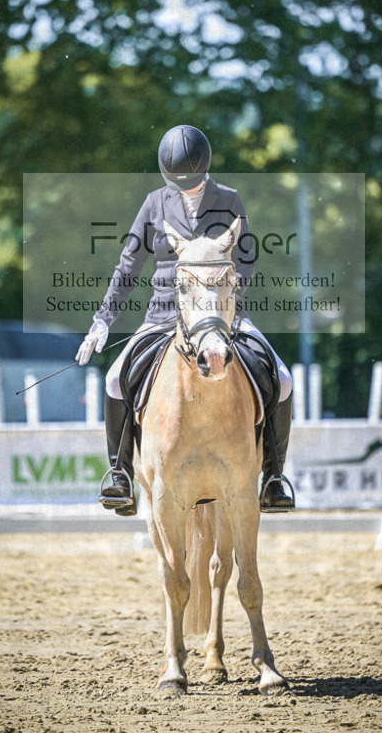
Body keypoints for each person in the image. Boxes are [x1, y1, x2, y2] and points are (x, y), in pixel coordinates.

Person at [75, 124, 295, 515]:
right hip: (164, 313)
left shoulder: (229, 200)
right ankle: (120, 474)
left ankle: (274, 477)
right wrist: (102, 320)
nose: (188, 190)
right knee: (113, 380)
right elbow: (128, 264)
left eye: (193, 183)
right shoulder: (154, 203)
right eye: (180, 184)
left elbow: (246, 259)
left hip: (222, 315)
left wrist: (220, 299)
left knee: (282, 379)